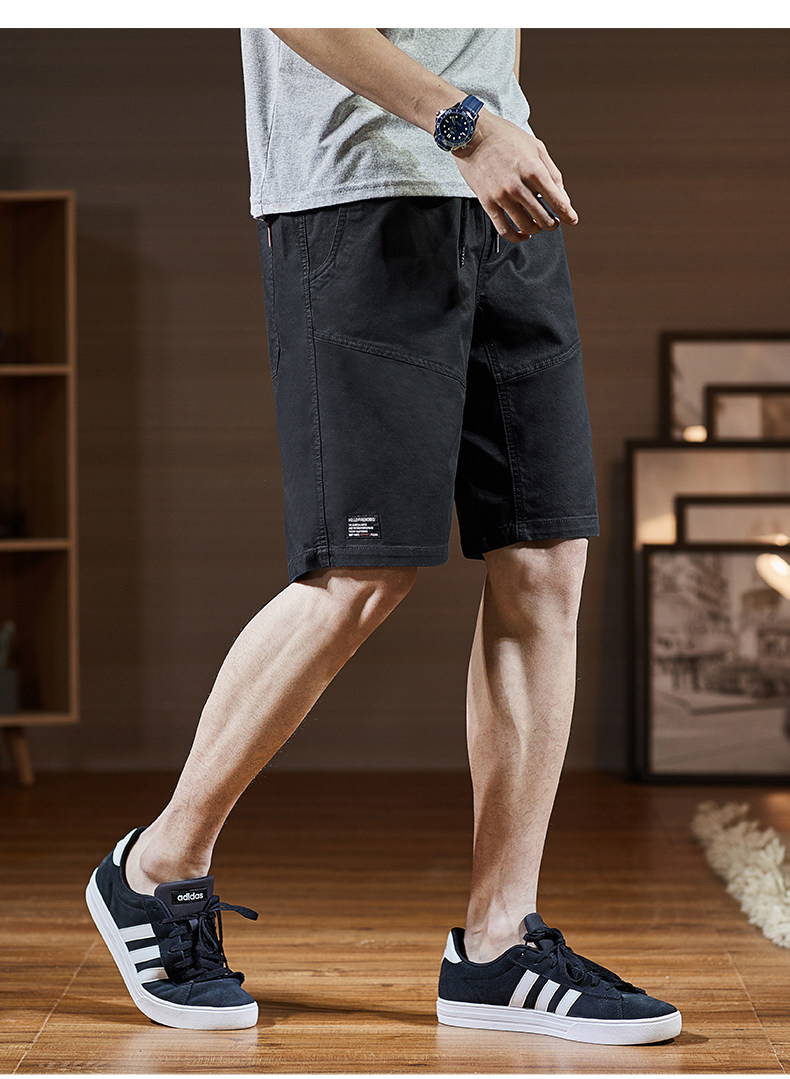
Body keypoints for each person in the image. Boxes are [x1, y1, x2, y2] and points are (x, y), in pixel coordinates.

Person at [85, 28, 682, 1045]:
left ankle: (498, 944)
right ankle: (156, 866)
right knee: (361, 568)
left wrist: (492, 129)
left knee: (545, 562)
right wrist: (462, 123)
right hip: (357, 196)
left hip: (505, 197)